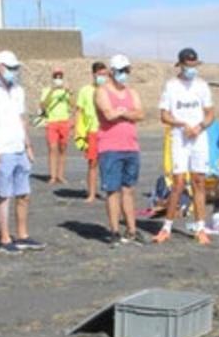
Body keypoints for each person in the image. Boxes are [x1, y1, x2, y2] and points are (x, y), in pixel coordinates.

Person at [0, 50, 45, 253]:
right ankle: (4, 237)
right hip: (3, 150)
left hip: (19, 148)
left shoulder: (18, 90)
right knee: (4, 195)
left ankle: (22, 234)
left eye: (15, 68)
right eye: (10, 68)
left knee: (23, 193)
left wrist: (28, 145)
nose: (13, 72)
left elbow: (22, 119)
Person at [155, 47, 214, 244]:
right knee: (178, 182)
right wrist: (181, 124)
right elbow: (164, 115)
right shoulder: (171, 86)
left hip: (198, 137)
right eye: (188, 66)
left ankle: (200, 228)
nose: (192, 69)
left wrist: (199, 127)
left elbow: (210, 114)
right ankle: (167, 227)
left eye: (194, 65)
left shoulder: (202, 86)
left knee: (199, 181)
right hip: (179, 137)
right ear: (180, 65)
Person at [94, 54, 145, 246]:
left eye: (127, 71)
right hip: (110, 147)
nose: (125, 74)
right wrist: (126, 114)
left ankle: (132, 230)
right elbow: (108, 114)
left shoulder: (132, 92)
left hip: (131, 146)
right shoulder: (102, 91)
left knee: (129, 190)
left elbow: (140, 114)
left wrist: (122, 112)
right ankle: (114, 231)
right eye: (121, 71)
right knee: (112, 190)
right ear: (112, 72)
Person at [74, 62, 107, 202]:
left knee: (107, 163)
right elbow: (79, 111)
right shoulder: (85, 90)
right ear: (93, 74)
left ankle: (107, 191)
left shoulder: (109, 90)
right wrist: (79, 131)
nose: (102, 77)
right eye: (100, 74)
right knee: (92, 163)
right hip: (92, 131)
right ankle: (92, 193)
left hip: (107, 131)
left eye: (105, 75)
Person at [40, 68, 72, 185]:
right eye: (56, 77)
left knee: (63, 148)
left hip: (64, 121)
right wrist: (51, 91)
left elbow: (73, 105)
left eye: (60, 77)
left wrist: (69, 92)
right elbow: (43, 105)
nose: (58, 79)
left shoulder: (65, 91)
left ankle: (61, 175)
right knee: (53, 148)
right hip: (52, 121)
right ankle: (53, 176)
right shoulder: (47, 90)